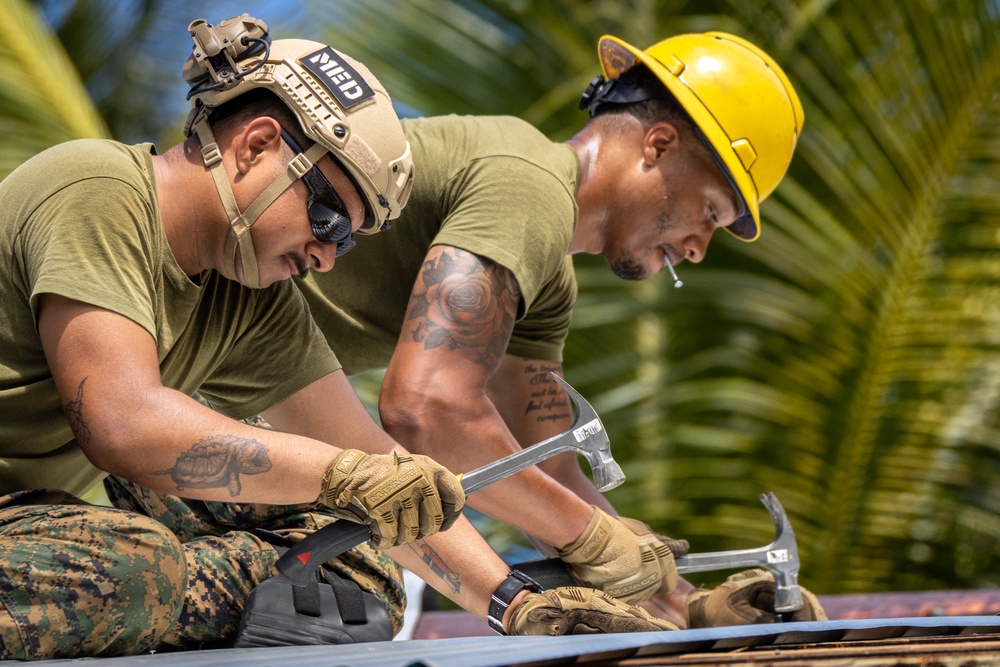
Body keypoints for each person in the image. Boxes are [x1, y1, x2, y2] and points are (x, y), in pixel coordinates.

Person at [0, 15, 673, 660]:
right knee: (137, 569)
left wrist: (515, 603)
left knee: (356, 565)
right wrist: (340, 476)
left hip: (22, 515)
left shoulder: (252, 300)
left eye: (347, 240)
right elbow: (122, 422)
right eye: (327, 217)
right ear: (256, 144)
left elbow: (374, 458)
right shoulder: (97, 191)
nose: (327, 255)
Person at [292, 31, 824, 627]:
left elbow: (547, 469)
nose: (700, 249)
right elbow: (428, 409)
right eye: (711, 212)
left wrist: (685, 603)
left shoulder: (549, 276)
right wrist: (590, 536)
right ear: (660, 144)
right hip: (196, 393)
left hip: (249, 404)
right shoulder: (530, 184)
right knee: (348, 594)